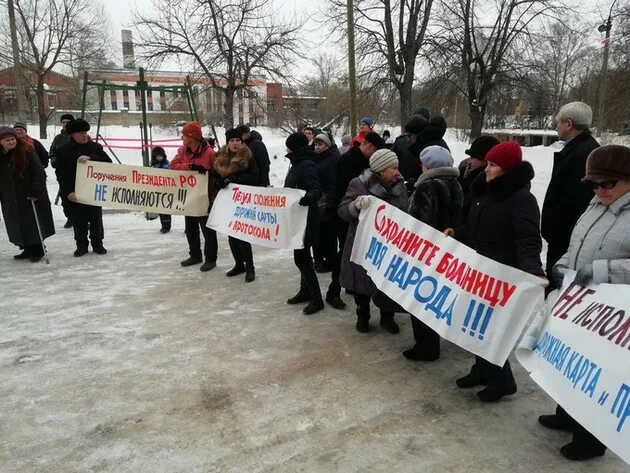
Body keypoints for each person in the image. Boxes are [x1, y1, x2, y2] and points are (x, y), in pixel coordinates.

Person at [539, 144, 630, 461]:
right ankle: (567, 413)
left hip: (612, 316)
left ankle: (591, 438)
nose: (600, 190)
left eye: (608, 184)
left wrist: (602, 271)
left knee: (597, 373)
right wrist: (563, 265)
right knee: (571, 363)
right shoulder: (595, 206)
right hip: (579, 304)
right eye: (594, 183)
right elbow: (577, 244)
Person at [444, 142, 545, 402]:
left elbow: (528, 238)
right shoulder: (488, 193)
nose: (485, 169)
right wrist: (458, 231)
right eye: (486, 163)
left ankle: (502, 381)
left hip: (500, 276)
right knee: (472, 326)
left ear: (508, 169)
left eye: (492, 165)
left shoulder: (522, 199)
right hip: (478, 270)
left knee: (488, 331)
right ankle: (481, 370)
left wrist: (532, 270)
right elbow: (477, 227)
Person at [338, 149, 408, 333]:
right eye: (393, 167)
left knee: (386, 283)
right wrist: (355, 206)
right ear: (381, 170)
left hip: (389, 246)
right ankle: (363, 315)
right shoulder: (358, 184)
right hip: (364, 244)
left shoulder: (400, 185)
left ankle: (387, 316)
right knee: (362, 282)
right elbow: (343, 210)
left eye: (397, 167)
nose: (397, 171)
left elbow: (406, 212)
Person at [403, 146, 463, 360]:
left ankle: (426, 346)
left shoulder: (426, 187)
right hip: (448, 248)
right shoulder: (456, 184)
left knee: (420, 297)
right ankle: (432, 341)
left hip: (425, 251)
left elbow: (418, 223)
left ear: (427, 165)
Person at [542, 102, 599, 293]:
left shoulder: (583, 154)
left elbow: (574, 200)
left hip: (566, 236)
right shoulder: (579, 149)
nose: (555, 126)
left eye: (557, 122)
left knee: (558, 285)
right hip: (563, 234)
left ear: (568, 123)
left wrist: (553, 226)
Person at [328, 132, 386, 310]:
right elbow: (348, 190)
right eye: (375, 151)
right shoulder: (350, 160)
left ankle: (349, 286)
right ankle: (333, 291)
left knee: (356, 254)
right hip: (346, 216)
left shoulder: (360, 160)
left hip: (359, 217)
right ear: (369, 146)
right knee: (345, 253)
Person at [55, 119, 112, 256]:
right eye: (80, 133)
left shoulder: (95, 147)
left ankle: (98, 244)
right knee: (79, 221)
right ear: (72, 134)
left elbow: (108, 163)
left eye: (85, 132)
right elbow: (61, 175)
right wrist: (68, 192)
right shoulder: (64, 151)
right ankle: (81, 245)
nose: (84, 135)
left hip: (94, 191)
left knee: (96, 220)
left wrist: (91, 158)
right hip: (75, 192)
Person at [284, 132, 325, 315]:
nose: (286, 149)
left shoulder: (306, 164)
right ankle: (305, 291)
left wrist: (307, 198)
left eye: (288, 146)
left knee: (301, 259)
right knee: (303, 257)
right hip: (298, 217)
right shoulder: (296, 163)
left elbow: (316, 189)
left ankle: (317, 299)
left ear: (295, 148)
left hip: (307, 219)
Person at [0, 126, 55, 262]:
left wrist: (35, 190)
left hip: (29, 194)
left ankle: (38, 249)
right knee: (16, 223)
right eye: (8, 140)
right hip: (9, 196)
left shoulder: (27, 150)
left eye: (13, 139)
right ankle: (26, 248)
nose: (12, 142)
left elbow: (39, 172)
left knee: (32, 223)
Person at [169, 121, 217, 271]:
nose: (182, 138)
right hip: (188, 197)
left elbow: (217, 174)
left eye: (184, 135)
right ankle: (195, 255)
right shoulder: (183, 151)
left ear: (192, 137)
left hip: (205, 198)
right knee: (190, 229)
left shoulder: (210, 153)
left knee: (208, 230)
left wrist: (206, 170)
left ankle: (211, 259)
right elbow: (173, 166)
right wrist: (189, 167)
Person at [213, 129, 259, 282]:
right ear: (228, 143)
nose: (235, 143)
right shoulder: (219, 158)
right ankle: (239, 264)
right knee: (231, 233)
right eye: (232, 141)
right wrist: (218, 182)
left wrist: (234, 179)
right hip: (227, 202)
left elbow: (254, 177)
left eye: (238, 140)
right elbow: (213, 177)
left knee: (242, 234)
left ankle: (250, 267)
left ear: (242, 142)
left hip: (243, 201)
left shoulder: (249, 157)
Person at [312, 132, 340, 274]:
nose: (317, 147)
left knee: (329, 233)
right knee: (320, 231)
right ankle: (320, 258)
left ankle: (330, 260)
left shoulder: (333, 158)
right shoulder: (316, 158)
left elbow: (333, 182)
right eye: (316, 144)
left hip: (328, 198)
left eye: (320, 144)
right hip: (318, 198)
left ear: (327, 145)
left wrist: (330, 201)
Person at [457, 135, 500, 218]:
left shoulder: (487, 185)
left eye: (477, 159)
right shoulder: (463, 174)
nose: (470, 162)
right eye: (471, 157)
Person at [50, 113, 75, 229]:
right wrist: (56, 163)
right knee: (65, 196)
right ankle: (70, 217)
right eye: (63, 122)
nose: (65, 124)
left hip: (78, 172)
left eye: (68, 122)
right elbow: (52, 152)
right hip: (62, 172)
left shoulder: (77, 136)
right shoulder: (58, 139)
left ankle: (83, 218)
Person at [150, 146, 172, 234]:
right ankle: (163, 225)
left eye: (160, 156)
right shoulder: (153, 164)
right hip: (157, 189)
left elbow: (166, 172)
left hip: (165, 189)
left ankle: (167, 226)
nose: (159, 158)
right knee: (160, 209)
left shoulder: (166, 164)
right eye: (157, 156)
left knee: (166, 209)